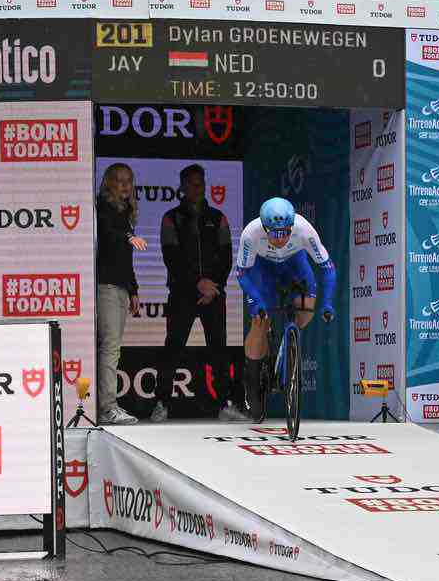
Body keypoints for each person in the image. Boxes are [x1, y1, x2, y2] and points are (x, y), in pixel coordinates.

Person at [222, 197, 336, 421]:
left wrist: (327, 303)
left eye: (285, 232)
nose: (281, 238)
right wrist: (257, 301)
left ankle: (288, 345)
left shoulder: (304, 229)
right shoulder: (251, 233)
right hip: (261, 271)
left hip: (295, 266)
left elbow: (328, 269)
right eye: (274, 233)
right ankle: (253, 380)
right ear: (264, 228)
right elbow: (243, 274)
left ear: (292, 226)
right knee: (259, 320)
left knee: (306, 309)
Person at [150, 164, 233, 422]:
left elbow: (227, 257)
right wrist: (198, 283)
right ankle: (161, 403)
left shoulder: (219, 217)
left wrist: (213, 285)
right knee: (172, 348)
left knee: (219, 348)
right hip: (182, 293)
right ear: (183, 187)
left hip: (214, 294)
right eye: (193, 184)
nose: (198, 188)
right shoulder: (171, 217)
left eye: (201, 183)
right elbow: (171, 258)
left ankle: (226, 405)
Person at [96, 163, 146, 425]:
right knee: (110, 347)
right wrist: (128, 236)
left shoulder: (125, 211)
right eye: (119, 180)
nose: (125, 185)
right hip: (105, 285)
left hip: (120, 287)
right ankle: (107, 406)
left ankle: (107, 404)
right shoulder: (102, 207)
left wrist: (134, 289)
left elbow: (126, 260)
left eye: (129, 180)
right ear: (108, 183)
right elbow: (108, 234)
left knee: (113, 348)